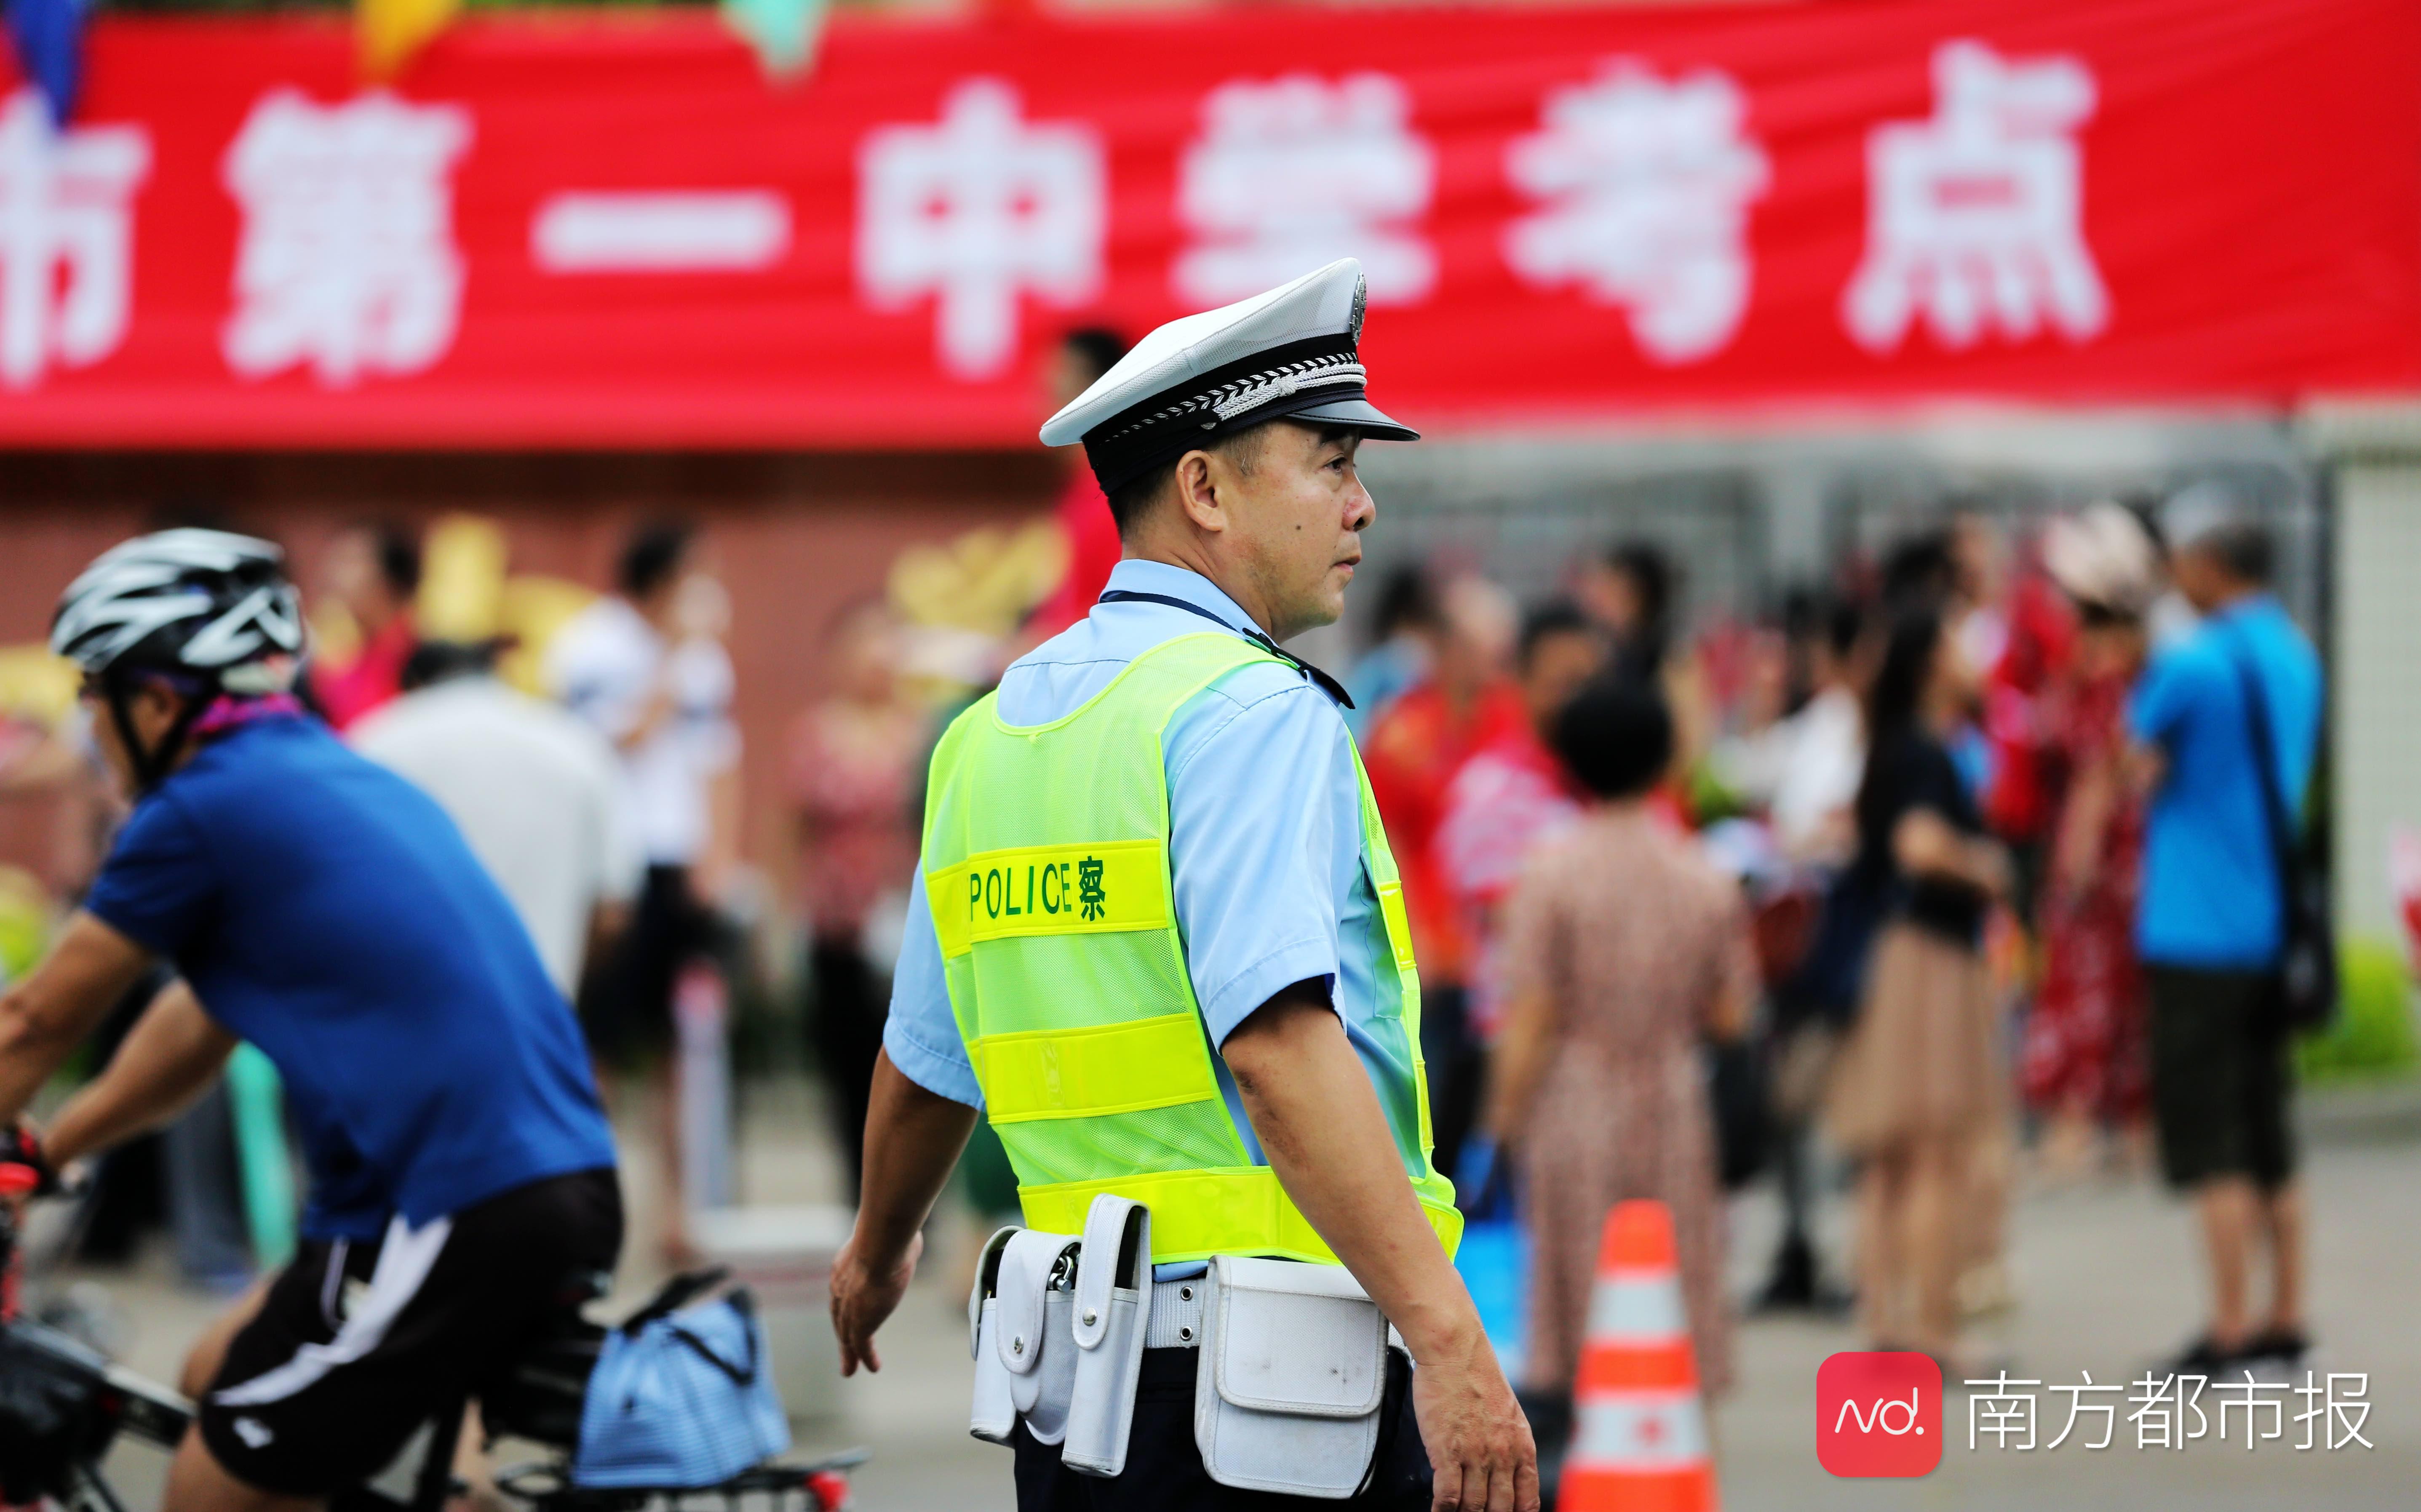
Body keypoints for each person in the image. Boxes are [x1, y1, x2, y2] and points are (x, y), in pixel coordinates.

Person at [829, 260, 1537, 1512]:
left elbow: (928, 1066)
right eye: (1329, 463)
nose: (1363, 507)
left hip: (1075, 1403)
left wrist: (878, 1251)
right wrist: (1447, 1340)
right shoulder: (1247, 711)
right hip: (1270, 1398)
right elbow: (1272, 1045)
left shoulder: (987, 737)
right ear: (1203, 490)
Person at [0, 530, 619, 1511]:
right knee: (213, 1375)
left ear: (157, 703)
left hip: (458, 1203)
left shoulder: (203, 807)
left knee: (210, 1494)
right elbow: (193, 1029)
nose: (87, 725)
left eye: (94, 695)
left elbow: (36, 1022)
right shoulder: (315, 778)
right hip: (495, 1188)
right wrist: (55, 1150)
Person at [1483, 680, 1754, 1414]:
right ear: (1664, 756)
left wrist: (1499, 1125)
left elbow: (1532, 1015)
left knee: (1582, 1299)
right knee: (1672, 1293)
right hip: (1671, 1095)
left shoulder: (1548, 875)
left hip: (1574, 1104)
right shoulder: (1704, 876)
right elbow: (1731, 1014)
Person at [2126, 507, 2322, 1373]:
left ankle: (2231, 1326)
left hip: (2196, 925)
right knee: (2271, 1125)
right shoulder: (2297, 654)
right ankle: (2287, 1315)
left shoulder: (2192, 662)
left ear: (2210, 565)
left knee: (2214, 1138)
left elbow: (2132, 765)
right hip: (2272, 925)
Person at [1824, 607, 2010, 1368]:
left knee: (1889, 1157)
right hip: (1928, 959)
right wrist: (1986, 866)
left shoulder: (1885, 746)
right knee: (1934, 1149)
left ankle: (1885, 1322)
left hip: (1885, 960)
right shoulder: (1926, 753)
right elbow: (1918, 843)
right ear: (1932, 662)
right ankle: (1933, 1330)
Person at [351, 637, 642, 1000]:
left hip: (410, 1008)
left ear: (415, 685)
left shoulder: (377, 742)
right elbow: (613, 913)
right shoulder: (577, 746)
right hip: (540, 1006)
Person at [1431, 601, 1604, 1176]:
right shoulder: (1493, 793)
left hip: (1600, 1058)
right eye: (1564, 683)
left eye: (1593, 683)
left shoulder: (1605, 792)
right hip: (1516, 1058)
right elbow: (1527, 933)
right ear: (1523, 685)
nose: (1581, 700)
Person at [2023, 505, 2159, 1177]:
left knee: (2084, 988)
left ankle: (2076, 1126)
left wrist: (2074, 863)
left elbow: (2095, 780)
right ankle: (2135, 1125)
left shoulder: (2097, 680)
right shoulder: (2142, 669)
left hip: (2100, 857)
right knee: (2129, 992)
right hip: (2139, 858)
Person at [787, 601, 926, 1203]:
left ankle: (916, 1196)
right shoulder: (816, 734)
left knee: (914, 1060)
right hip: (837, 924)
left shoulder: (921, 733)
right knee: (848, 1064)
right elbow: (792, 827)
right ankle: (861, 1193)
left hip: (909, 919)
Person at [1026, 327, 1133, 641]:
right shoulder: (1079, 493)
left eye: (1053, 391)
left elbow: (1119, 612)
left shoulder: (1115, 496)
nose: (1040, 409)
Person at [308, 520, 421, 731]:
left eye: (349, 562)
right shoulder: (348, 659)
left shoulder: (417, 658)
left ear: (389, 578)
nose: (333, 573)